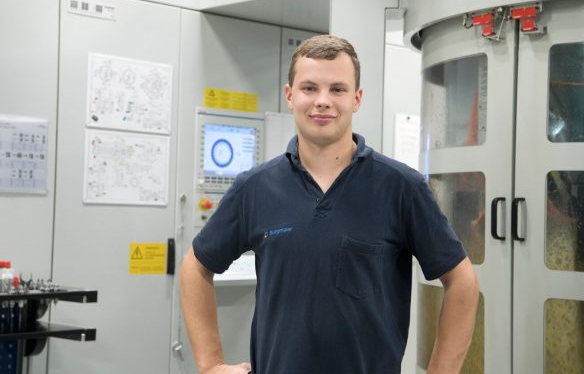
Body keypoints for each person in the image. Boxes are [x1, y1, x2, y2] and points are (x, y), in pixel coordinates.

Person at [180, 35, 479, 374]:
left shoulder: (400, 188)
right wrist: (210, 364)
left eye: (337, 89)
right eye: (309, 88)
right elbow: (195, 267)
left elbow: (462, 281)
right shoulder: (255, 188)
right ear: (290, 95)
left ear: (357, 98)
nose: (322, 101)